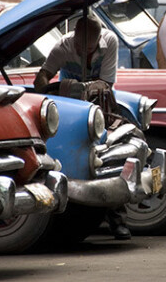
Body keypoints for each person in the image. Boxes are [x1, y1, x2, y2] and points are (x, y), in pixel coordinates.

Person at [34, 15, 131, 241]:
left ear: (98, 40)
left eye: (89, 47)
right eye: (79, 45)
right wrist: (48, 91)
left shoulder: (110, 42)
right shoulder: (62, 48)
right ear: (74, 37)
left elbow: (107, 83)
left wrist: (86, 90)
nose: (83, 50)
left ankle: (118, 218)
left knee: (109, 155)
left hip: (101, 106)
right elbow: (42, 75)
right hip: (71, 108)